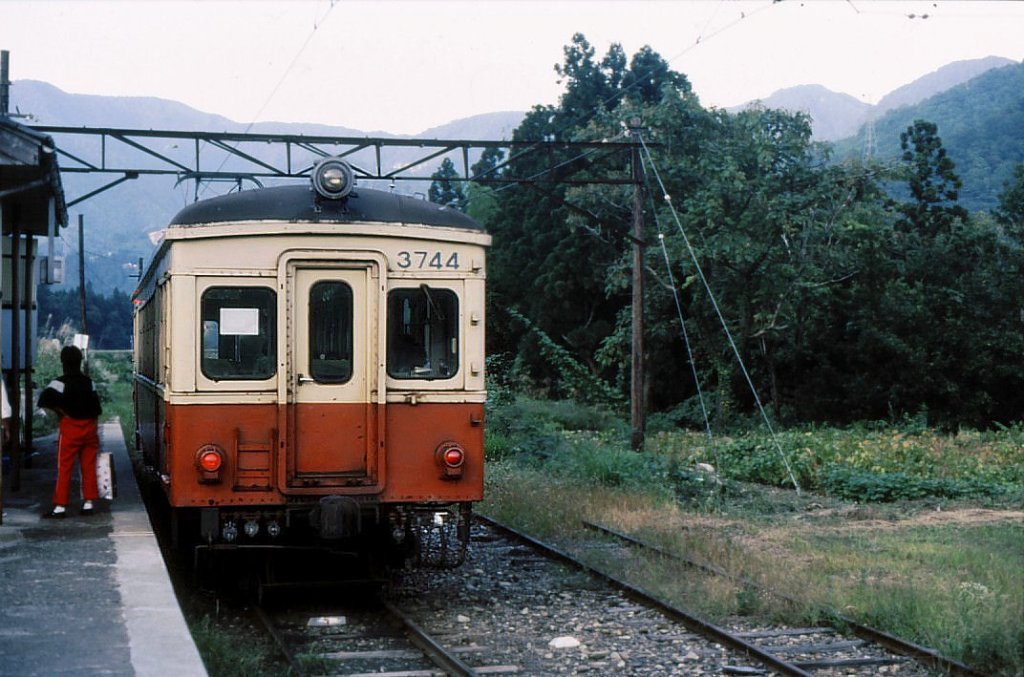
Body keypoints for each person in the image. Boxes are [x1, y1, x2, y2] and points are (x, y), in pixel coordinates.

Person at [37, 346, 103, 518]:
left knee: (65, 467)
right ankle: (88, 503)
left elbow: (43, 400)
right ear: (80, 361)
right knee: (88, 466)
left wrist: (60, 411)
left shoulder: (59, 382)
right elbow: (97, 408)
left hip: (70, 428)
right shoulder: (89, 382)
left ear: (63, 362)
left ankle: (60, 507)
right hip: (89, 428)